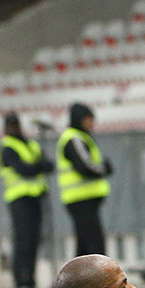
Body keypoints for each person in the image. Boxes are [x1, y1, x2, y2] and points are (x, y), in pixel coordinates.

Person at [0, 111, 55, 288]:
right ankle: (21, 283)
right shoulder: (7, 147)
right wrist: (38, 166)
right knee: (23, 241)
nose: (13, 128)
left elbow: (49, 165)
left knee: (33, 241)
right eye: (10, 125)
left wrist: (37, 167)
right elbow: (23, 169)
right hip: (19, 198)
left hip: (36, 197)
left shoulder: (30, 144)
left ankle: (30, 282)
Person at [57, 103, 113, 256]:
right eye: (89, 119)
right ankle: (97, 272)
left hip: (83, 199)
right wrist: (104, 169)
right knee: (95, 245)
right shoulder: (74, 138)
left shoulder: (79, 137)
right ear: (79, 119)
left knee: (84, 246)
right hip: (81, 199)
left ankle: (81, 272)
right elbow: (84, 167)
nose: (92, 123)